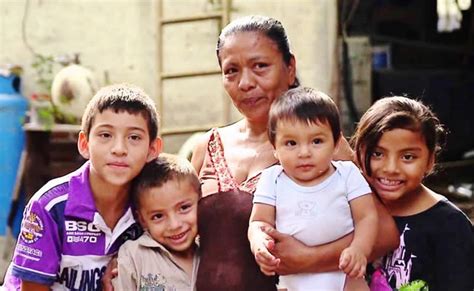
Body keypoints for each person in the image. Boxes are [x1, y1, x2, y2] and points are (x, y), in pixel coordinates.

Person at [191, 15, 399, 290]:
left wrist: (310, 259)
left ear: (290, 69)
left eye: (260, 66)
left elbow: (384, 234)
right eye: (231, 71)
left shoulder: (321, 147)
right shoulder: (207, 146)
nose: (245, 83)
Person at [1, 83, 162, 290]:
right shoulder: (50, 206)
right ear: (85, 144)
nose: (119, 149)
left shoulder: (152, 204)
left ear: (152, 149)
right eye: (105, 135)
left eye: (134, 137)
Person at [249, 87, 377, 291]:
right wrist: (259, 243)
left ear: (336, 143)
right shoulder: (272, 179)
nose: (304, 152)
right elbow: (259, 221)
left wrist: (359, 249)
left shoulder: (347, 174)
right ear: (274, 147)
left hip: (345, 277)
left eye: (317, 141)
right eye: (291, 143)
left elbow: (367, 217)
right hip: (293, 283)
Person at [351, 96, 474, 291]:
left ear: (430, 160)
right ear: (358, 153)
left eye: (408, 157)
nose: (391, 168)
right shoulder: (348, 208)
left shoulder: (450, 226)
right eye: (377, 154)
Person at [111, 153, 201, 290]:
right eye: (158, 216)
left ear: (201, 200)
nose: (174, 225)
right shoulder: (133, 257)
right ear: (142, 220)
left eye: (184, 208)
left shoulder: (211, 249)